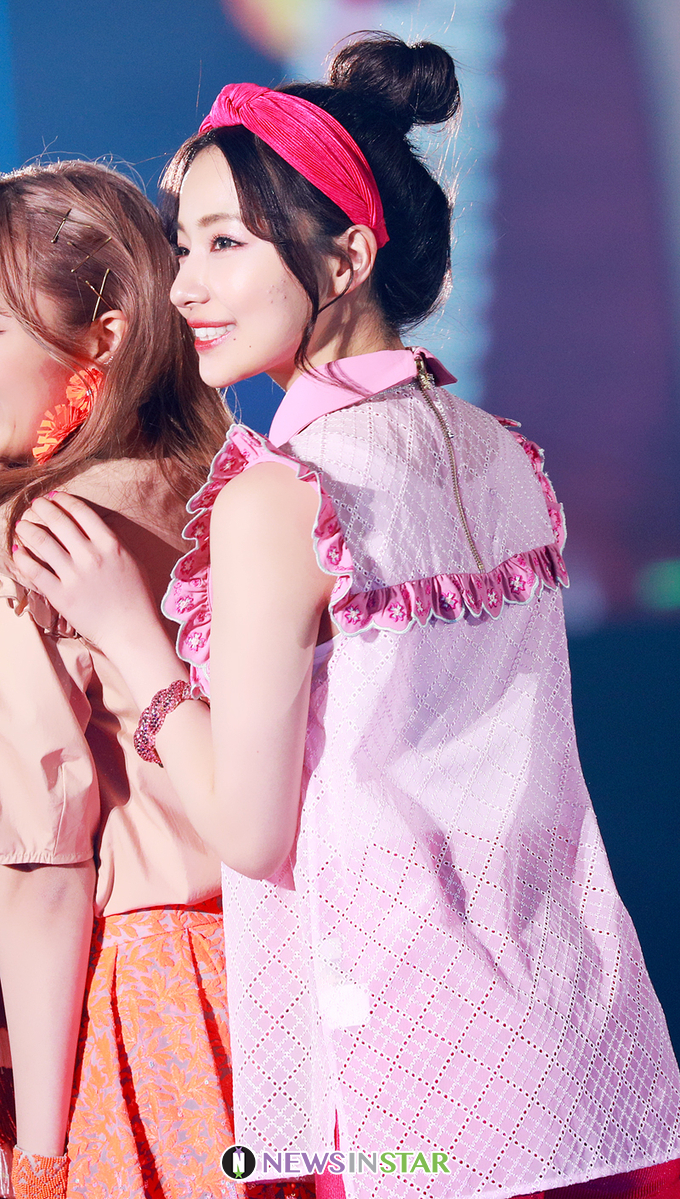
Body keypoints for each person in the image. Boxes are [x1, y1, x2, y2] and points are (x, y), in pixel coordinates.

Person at [12, 33, 680, 1199]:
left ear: (347, 256)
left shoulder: (282, 495)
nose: (185, 287)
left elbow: (250, 831)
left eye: (225, 243)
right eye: (182, 245)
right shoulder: (504, 454)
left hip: (409, 1077)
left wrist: (129, 637)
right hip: (585, 1050)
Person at [0, 161, 312, 1199]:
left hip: (153, 1007)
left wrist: (41, 1156)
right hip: (304, 980)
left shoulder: (36, 539)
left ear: (104, 339)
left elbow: (42, 878)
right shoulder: (251, 482)